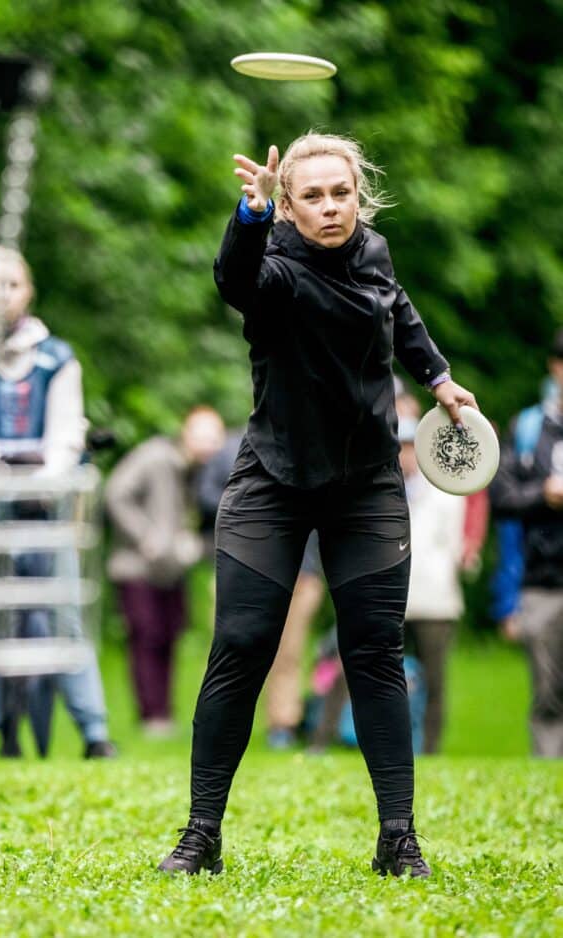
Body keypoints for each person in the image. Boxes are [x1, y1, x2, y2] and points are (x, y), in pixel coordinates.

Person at [158, 132, 478, 879]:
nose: (331, 207)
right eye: (313, 196)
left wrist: (438, 379)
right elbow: (232, 281)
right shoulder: (270, 265)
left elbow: (395, 309)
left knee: (374, 655)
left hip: (365, 484)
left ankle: (398, 838)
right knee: (241, 645)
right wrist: (251, 212)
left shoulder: (374, 251)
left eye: (341, 193)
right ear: (291, 207)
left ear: (356, 197)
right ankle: (202, 833)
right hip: (272, 478)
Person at [0, 245, 116, 760]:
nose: (2, 294)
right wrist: (2, 462)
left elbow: (66, 435)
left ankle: (93, 732)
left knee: (66, 616)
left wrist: (41, 473)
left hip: (48, 506)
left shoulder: (55, 356)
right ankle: (5, 728)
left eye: (12, 284)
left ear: (27, 291)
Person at [105, 407, 225, 736]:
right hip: (137, 567)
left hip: (172, 570)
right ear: (185, 433)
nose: (209, 445)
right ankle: (151, 717)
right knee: (147, 637)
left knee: (169, 636)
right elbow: (115, 493)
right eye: (202, 436)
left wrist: (193, 545)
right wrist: (145, 535)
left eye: (215, 438)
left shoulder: (200, 472)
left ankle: (164, 715)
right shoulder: (156, 456)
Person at [490, 329, 563, 758]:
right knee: (547, 690)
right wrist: (544, 495)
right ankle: (549, 772)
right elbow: (501, 498)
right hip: (539, 581)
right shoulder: (528, 428)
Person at [398, 401, 466, 754]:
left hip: (435, 599)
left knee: (434, 679)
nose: (405, 455)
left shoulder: (446, 491)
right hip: (395, 597)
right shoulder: (386, 492)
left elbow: (455, 545)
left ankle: (431, 749)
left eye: (410, 447)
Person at [265, 532, 325, 749]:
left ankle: (283, 723)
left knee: (288, 654)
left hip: (302, 576)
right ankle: (224, 721)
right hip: (252, 567)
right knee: (237, 651)